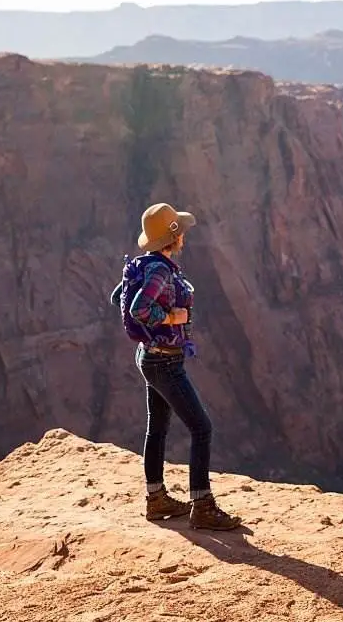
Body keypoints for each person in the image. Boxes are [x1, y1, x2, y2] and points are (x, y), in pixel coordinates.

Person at [110, 202, 241, 531]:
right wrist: (170, 317)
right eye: (180, 230)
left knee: (157, 429)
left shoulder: (146, 264)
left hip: (149, 356)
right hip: (164, 361)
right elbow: (139, 307)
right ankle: (203, 506)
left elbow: (119, 298)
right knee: (201, 427)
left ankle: (156, 500)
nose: (184, 234)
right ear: (174, 236)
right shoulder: (161, 270)